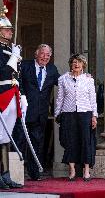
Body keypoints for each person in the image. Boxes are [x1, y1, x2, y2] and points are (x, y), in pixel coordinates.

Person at [55, 53, 97, 181]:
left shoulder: (89, 80)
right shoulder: (63, 79)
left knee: (86, 140)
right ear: (70, 65)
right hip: (68, 113)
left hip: (85, 113)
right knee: (70, 141)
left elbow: (92, 99)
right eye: (74, 62)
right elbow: (60, 98)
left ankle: (86, 170)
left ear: (83, 65)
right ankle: (72, 169)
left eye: (79, 62)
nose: (76, 64)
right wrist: (57, 113)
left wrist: (94, 115)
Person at [21, 44, 60, 180]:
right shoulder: (25, 65)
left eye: (48, 55)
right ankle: (16, 173)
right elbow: (16, 81)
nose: (45, 57)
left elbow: (63, 82)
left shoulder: (52, 69)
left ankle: (34, 173)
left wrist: (81, 77)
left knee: (36, 142)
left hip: (40, 114)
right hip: (23, 111)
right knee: (20, 141)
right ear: (36, 53)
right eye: (43, 54)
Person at [0, 6, 27, 189]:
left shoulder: (10, 50)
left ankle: (5, 175)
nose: (10, 32)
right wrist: (14, 57)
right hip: (1, 94)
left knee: (5, 137)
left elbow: (16, 77)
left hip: (12, 94)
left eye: (10, 30)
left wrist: (22, 94)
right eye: (6, 29)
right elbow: (2, 72)